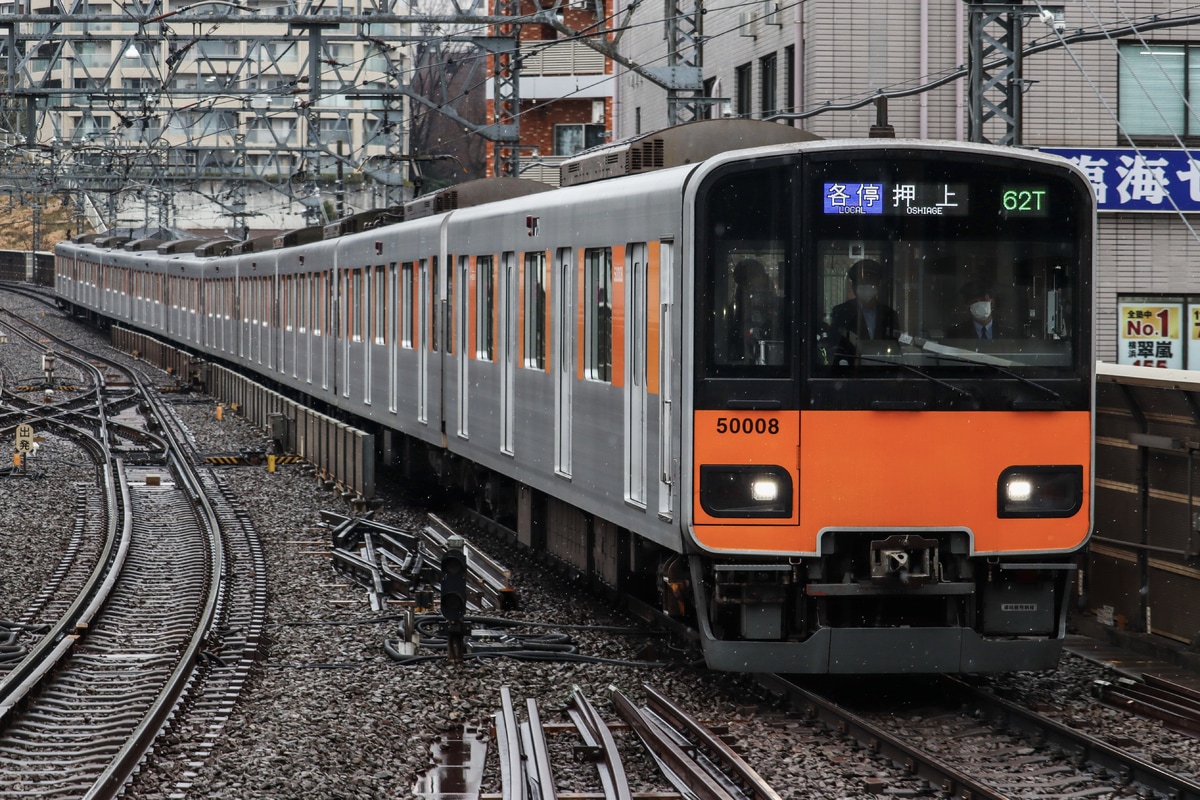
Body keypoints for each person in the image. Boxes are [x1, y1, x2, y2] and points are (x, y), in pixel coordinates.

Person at [829, 259, 900, 355]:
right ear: (853, 287)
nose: (867, 287)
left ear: (878, 286)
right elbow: (834, 346)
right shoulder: (841, 312)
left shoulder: (890, 315)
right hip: (850, 367)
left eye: (871, 283)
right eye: (862, 283)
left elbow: (895, 349)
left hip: (883, 368)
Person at [726, 258, 780, 364]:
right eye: (743, 285)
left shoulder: (778, 307)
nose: (748, 288)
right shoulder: (734, 311)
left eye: (749, 282)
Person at [947, 281, 1014, 340]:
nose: (979, 304)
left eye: (983, 300)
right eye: (974, 301)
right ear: (968, 306)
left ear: (992, 302)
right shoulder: (955, 334)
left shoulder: (1009, 333)